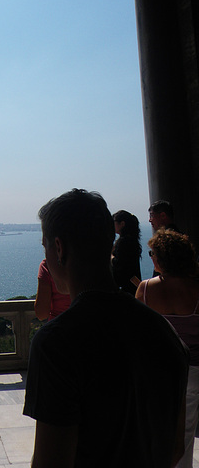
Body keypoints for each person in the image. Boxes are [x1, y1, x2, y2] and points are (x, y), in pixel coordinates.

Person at [24, 189, 189, 468]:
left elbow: (51, 461)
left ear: (59, 248)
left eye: (46, 248)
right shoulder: (164, 332)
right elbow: (175, 449)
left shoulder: (57, 343)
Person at [136, 229, 199, 468]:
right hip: (193, 370)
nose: (151, 257)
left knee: (159, 432)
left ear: (162, 258)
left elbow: (137, 332)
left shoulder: (146, 288)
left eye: (153, 253)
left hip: (158, 372)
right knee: (185, 433)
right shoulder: (196, 289)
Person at [111, 209, 142, 295]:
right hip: (133, 284)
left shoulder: (124, 241)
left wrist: (111, 256)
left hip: (127, 287)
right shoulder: (132, 240)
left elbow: (119, 264)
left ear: (122, 224)